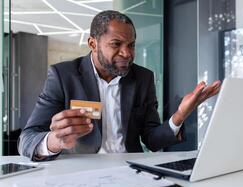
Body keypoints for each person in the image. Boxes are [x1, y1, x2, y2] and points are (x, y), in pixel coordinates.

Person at [18, 10, 221, 161]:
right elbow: (26, 139)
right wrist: (55, 141)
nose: (127, 53)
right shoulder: (63, 75)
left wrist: (180, 115)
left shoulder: (143, 78)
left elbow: (152, 140)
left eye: (131, 44)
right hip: (80, 170)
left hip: (131, 169)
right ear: (92, 44)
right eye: (116, 44)